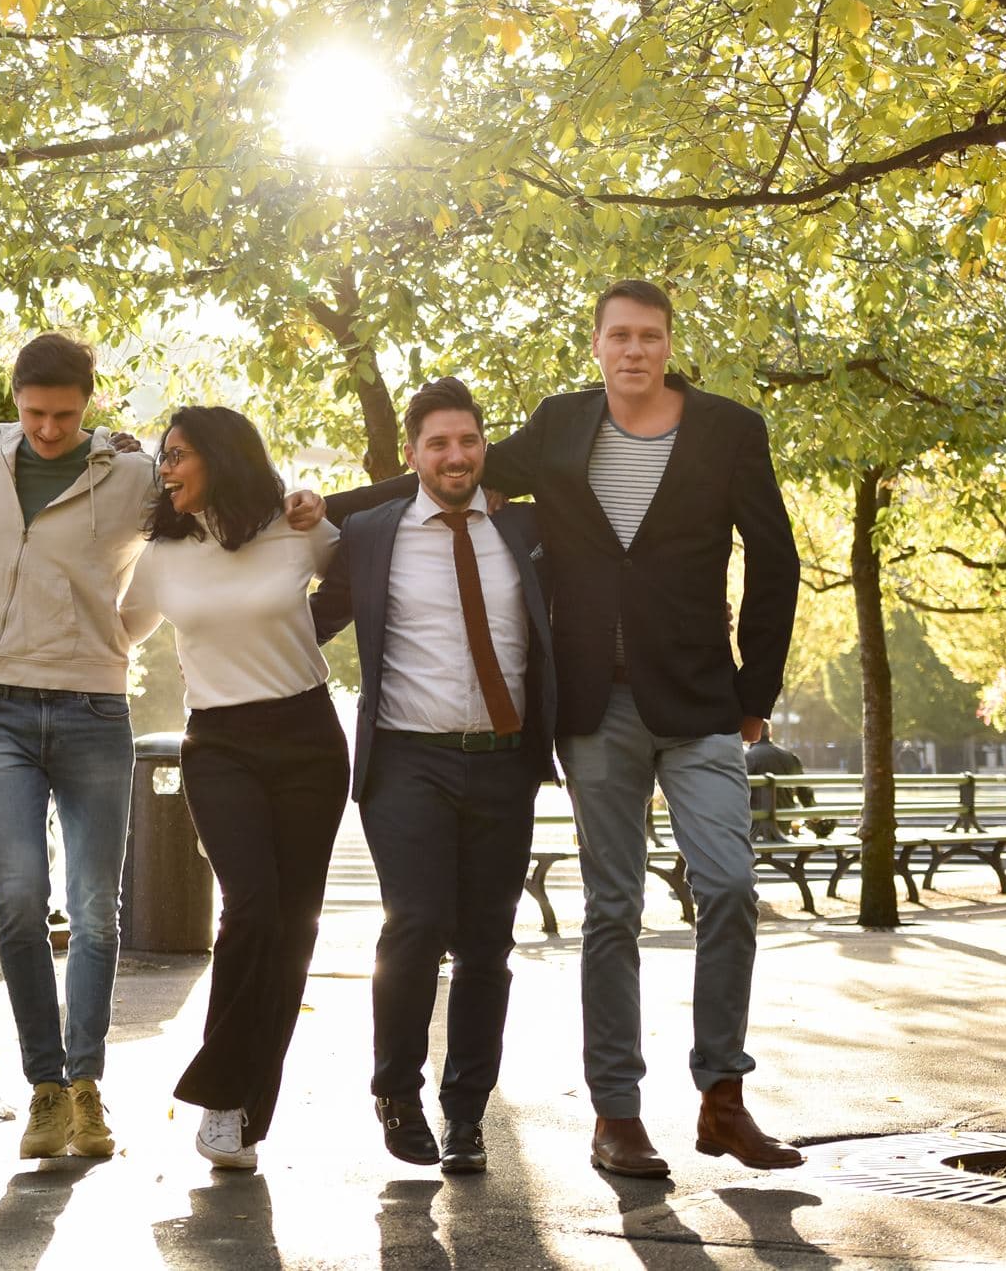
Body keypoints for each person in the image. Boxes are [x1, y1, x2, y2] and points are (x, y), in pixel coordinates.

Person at [327, 278, 804, 1177]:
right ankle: (616, 1114)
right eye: (618, 335)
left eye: (649, 335)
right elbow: (449, 469)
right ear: (596, 345)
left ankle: (722, 1094)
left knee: (730, 886)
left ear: (668, 343)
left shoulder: (729, 430)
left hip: (700, 700)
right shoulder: (559, 424)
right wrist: (330, 508)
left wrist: (756, 690)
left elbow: (774, 561)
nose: (634, 350)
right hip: (593, 704)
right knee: (611, 907)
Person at [309, 378, 556, 1176]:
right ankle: (395, 1090)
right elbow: (307, 622)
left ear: (485, 448)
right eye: (438, 443)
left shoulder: (526, 527)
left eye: (468, 440)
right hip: (406, 758)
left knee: (486, 944)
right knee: (414, 923)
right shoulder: (370, 534)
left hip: (505, 760)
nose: (455, 455)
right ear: (412, 455)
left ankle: (467, 1114)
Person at [119, 405, 346, 1171]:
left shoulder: (295, 527)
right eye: (162, 456)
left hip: (308, 737)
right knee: (251, 908)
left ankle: (246, 1112)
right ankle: (221, 1092)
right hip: (218, 742)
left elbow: (361, 570)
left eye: (177, 454)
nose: (165, 469)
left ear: (221, 457)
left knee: (293, 927)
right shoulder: (161, 553)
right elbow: (114, 631)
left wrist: (316, 507)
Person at [0, 334, 158, 1159]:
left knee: (96, 908)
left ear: (88, 405)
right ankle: (43, 1086)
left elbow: (192, 529)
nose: (46, 429)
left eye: (64, 416)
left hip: (92, 709)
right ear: (15, 401)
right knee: (19, 899)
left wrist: (119, 634)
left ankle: (85, 1084)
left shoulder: (130, 474)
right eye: (34, 412)